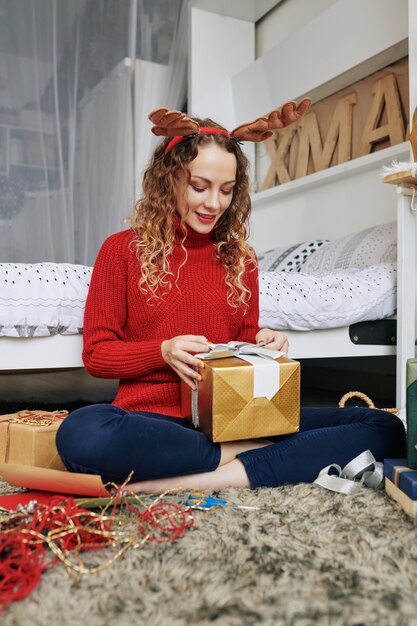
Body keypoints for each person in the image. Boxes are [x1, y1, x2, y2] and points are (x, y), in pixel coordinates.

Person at [56, 105, 405, 493]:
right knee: (81, 432)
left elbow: (241, 340)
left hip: (237, 418)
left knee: (386, 427)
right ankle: (250, 460)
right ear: (168, 178)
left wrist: (263, 344)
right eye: (199, 187)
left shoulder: (240, 258)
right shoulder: (121, 250)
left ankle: (209, 475)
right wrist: (163, 351)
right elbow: (98, 354)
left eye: (226, 190)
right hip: (156, 423)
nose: (214, 204)